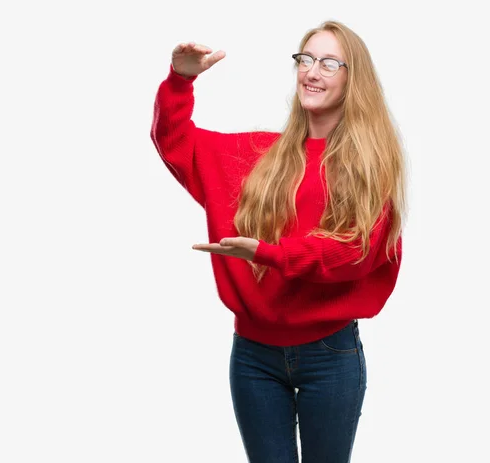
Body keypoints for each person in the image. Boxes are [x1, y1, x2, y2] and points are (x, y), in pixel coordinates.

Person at [150, 19, 407, 463]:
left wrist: (268, 254)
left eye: (329, 62)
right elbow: (177, 144)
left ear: (353, 78)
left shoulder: (370, 164)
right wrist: (180, 80)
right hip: (253, 357)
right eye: (305, 59)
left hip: (330, 355)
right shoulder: (259, 157)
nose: (312, 71)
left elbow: (354, 252)